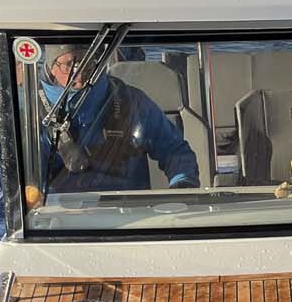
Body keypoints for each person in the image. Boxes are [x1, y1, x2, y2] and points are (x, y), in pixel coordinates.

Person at [40, 43, 199, 191]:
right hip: (56, 210)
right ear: (52, 67)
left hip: (130, 207)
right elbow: (26, 177)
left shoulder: (132, 102)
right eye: (70, 65)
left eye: (88, 63)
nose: (80, 74)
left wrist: (183, 182)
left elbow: (174, 150)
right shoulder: (33, 114)